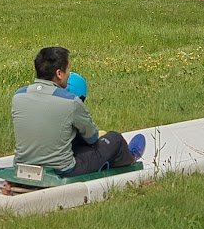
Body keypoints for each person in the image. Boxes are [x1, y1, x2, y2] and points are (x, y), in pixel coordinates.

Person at [10, 45, 142, 183]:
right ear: (59, 74)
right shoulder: (70, 102)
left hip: (22, 166)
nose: (68, 74)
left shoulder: (18, 96)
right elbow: (92, 137)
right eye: (68, 70)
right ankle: (130, 157)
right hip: (62, 169)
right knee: (115, 139)